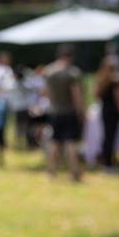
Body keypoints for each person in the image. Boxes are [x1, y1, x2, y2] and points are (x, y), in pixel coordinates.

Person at [44, 44, 84, 182]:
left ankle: (51, 171)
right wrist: (81, 112)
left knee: (53, 142)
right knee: (70, 143)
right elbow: (77, 95)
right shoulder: (73, 72)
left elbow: (46, 92)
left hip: (55, 111)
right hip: (69, 112)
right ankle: (74, 172)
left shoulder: (50, 71)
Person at [95, 60, 119, 171]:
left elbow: (95, 95)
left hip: (104, 111)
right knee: (111, 138)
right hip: (113, 113)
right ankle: (108, 163)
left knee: (106, 137)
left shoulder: (101, 79)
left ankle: (105, 161)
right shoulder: (115, 81)